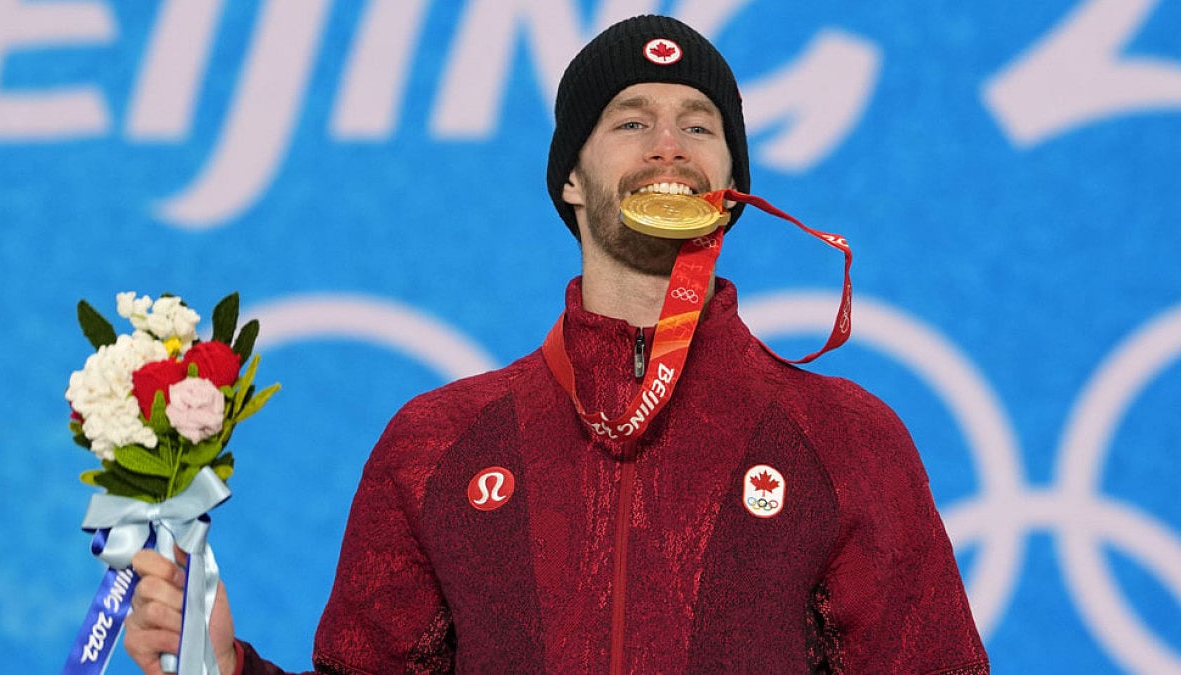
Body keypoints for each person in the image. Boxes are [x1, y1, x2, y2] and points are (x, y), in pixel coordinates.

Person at [126, 14, 989, 674]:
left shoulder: (846, 437)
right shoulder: (436, 443)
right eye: (631, 122)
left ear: (733, 188)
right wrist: (221, 665)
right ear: (570, 179)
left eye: (699, 126)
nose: (668, 146)